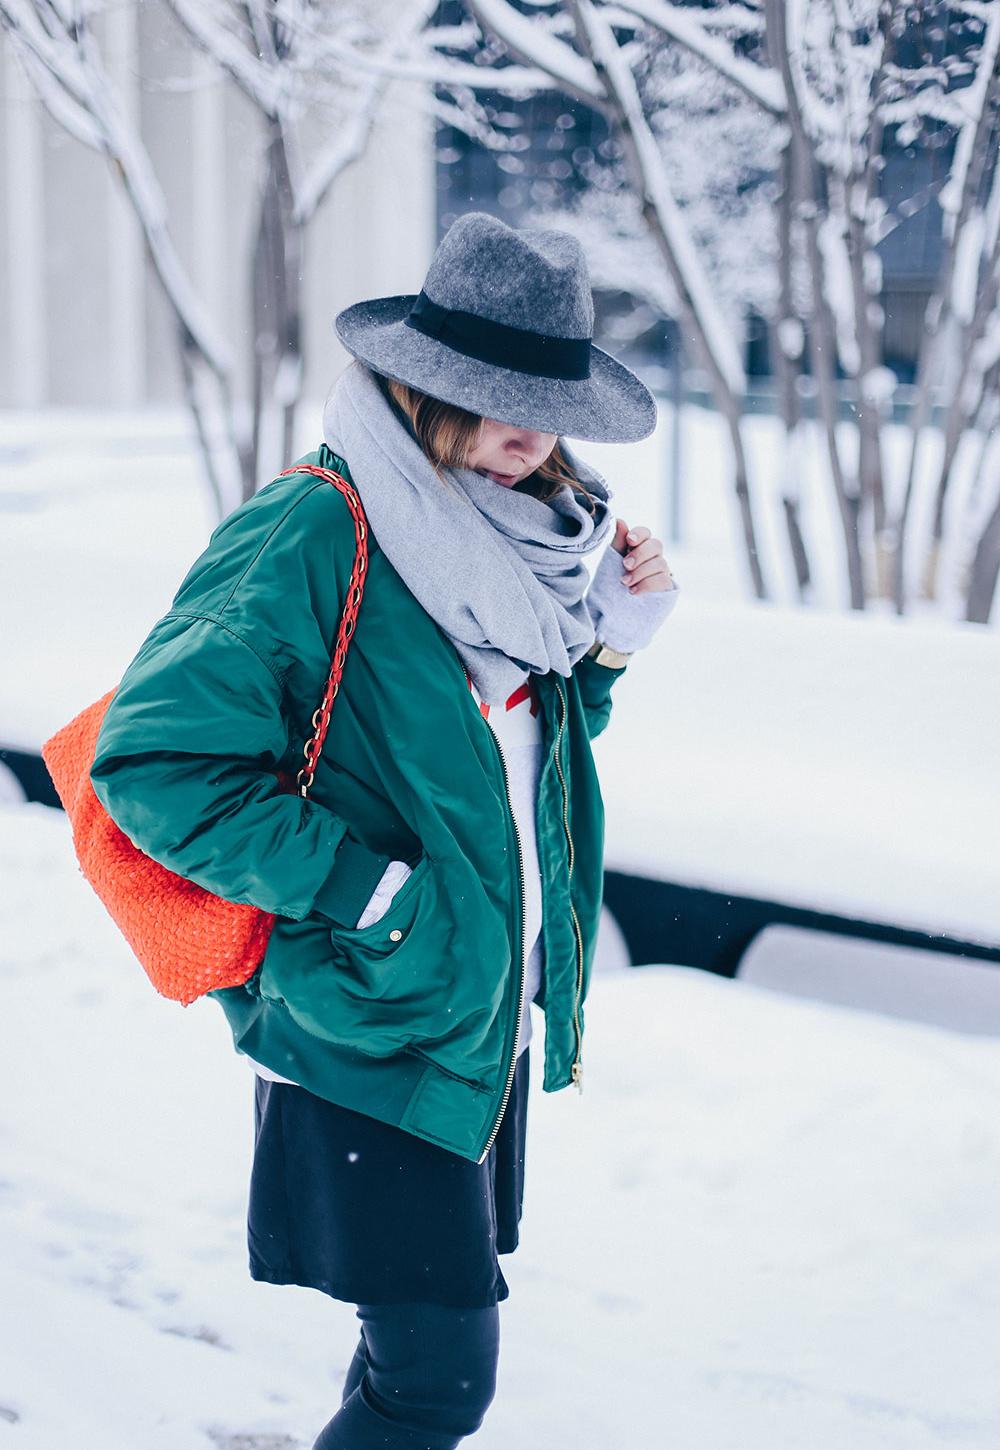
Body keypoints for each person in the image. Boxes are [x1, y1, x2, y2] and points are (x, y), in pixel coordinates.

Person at [90, 211, 678, 1449]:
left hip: (476, 1016)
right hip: (366, 1015)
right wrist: (365, 892)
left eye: (547, 400)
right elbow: (153, 766)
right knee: (436, 1385)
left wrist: (610, 644)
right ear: (424, 386)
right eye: (494, 396)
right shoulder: (313, 531)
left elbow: (495, 767)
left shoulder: (531, 546)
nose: (530, 432)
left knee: (409, 1373)